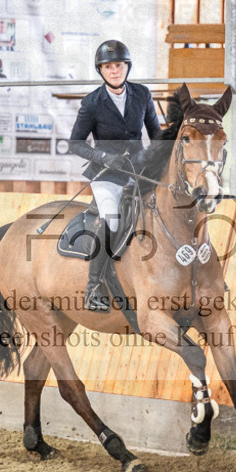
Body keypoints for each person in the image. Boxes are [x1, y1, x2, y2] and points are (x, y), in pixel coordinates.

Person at [69, 39, 163, 311]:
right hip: (106, 174)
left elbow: (156, 136)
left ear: (127, 67)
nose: (114, 71)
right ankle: (94, 287)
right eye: (108, 66)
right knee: (111, 221)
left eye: (118, 65)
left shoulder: (142, 95)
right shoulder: (92, 103)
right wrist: (102, 157)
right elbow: (75, 143)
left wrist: (155, 158)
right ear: (101, 70)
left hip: (138, 171)